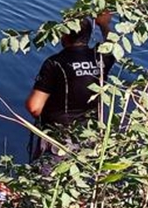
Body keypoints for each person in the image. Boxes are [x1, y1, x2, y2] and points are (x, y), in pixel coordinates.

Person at [25, 11, 116, 163]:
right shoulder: (101, 57)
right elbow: (112, 44)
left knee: (47, 182)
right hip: (91, 135)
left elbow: (34, 107)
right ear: (88, 35)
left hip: (58, 139)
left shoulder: (55, 63)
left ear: (64, 35)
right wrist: (104, 24)